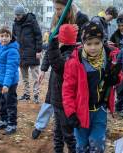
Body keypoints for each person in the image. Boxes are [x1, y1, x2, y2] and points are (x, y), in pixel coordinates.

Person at [62, 22, 121, 153]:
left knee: (97, 142)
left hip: (100, 110)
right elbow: (67, 90)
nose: (93, 47)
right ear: (83, 43)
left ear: (102, 42)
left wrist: (115, 78)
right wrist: (71, 113)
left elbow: (118, 74)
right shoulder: (75, 62)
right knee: (81, 144)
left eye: (97, 43)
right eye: (89, 44)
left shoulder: (109, 58)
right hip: (81, 112)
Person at [31, 0, 89, 140]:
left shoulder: (81, 19)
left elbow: (86, 44)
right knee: (51, 97)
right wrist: (44, 69)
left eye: (59, 9)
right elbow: (52, 45)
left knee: (71, 99)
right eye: (55, 8)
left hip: (74, 66)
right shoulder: (56, 20)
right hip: (58, 65)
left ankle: (75, 130)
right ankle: (40, 125)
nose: (57, 12)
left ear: (67, 7)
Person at [47, 24, 78, 153]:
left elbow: (57, 64)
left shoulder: (70, 56)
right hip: (57, 101)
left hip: (66, 103)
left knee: (68, 133)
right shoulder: (63, 52)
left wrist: (52, 44)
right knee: (58, 133)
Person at [13, 5, 43, 103]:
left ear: (23, 14)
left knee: (35, 76)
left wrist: (39, 50)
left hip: (33, 53)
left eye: (19, 15)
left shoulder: (32, 21)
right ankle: (26, 94)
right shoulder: (15, 24)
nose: (17, 17)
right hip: (21, 54)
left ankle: (36, 95)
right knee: (24, 77)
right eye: (16, 15)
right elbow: (13, 38)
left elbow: (38, 36)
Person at [0, 26, 20, 135]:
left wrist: (6, 84)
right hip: (0, 81)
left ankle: (12, 123)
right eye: (2, 36)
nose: (4, 38)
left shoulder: (12, 51)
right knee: (1, 102)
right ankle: (3, 120)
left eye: (6, 36)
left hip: (10, 82)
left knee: (10, 103)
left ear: (10, 37)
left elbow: (10, 69)